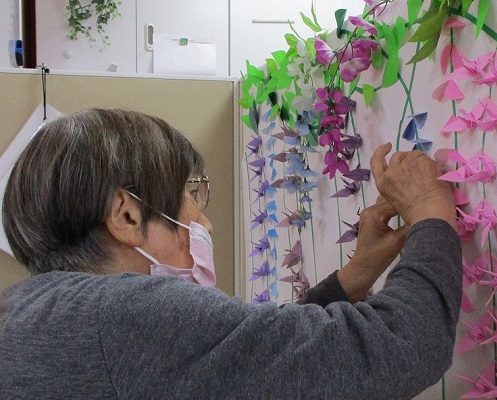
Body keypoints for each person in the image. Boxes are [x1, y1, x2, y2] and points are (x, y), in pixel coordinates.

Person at [0, 109, 462, 399]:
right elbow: (400, 349)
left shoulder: (26, 313)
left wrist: (354, 277)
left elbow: (240, 365)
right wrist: (428, 210)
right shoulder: (127, 317)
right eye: (186, 192)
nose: (204, 221)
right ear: (126, 216)